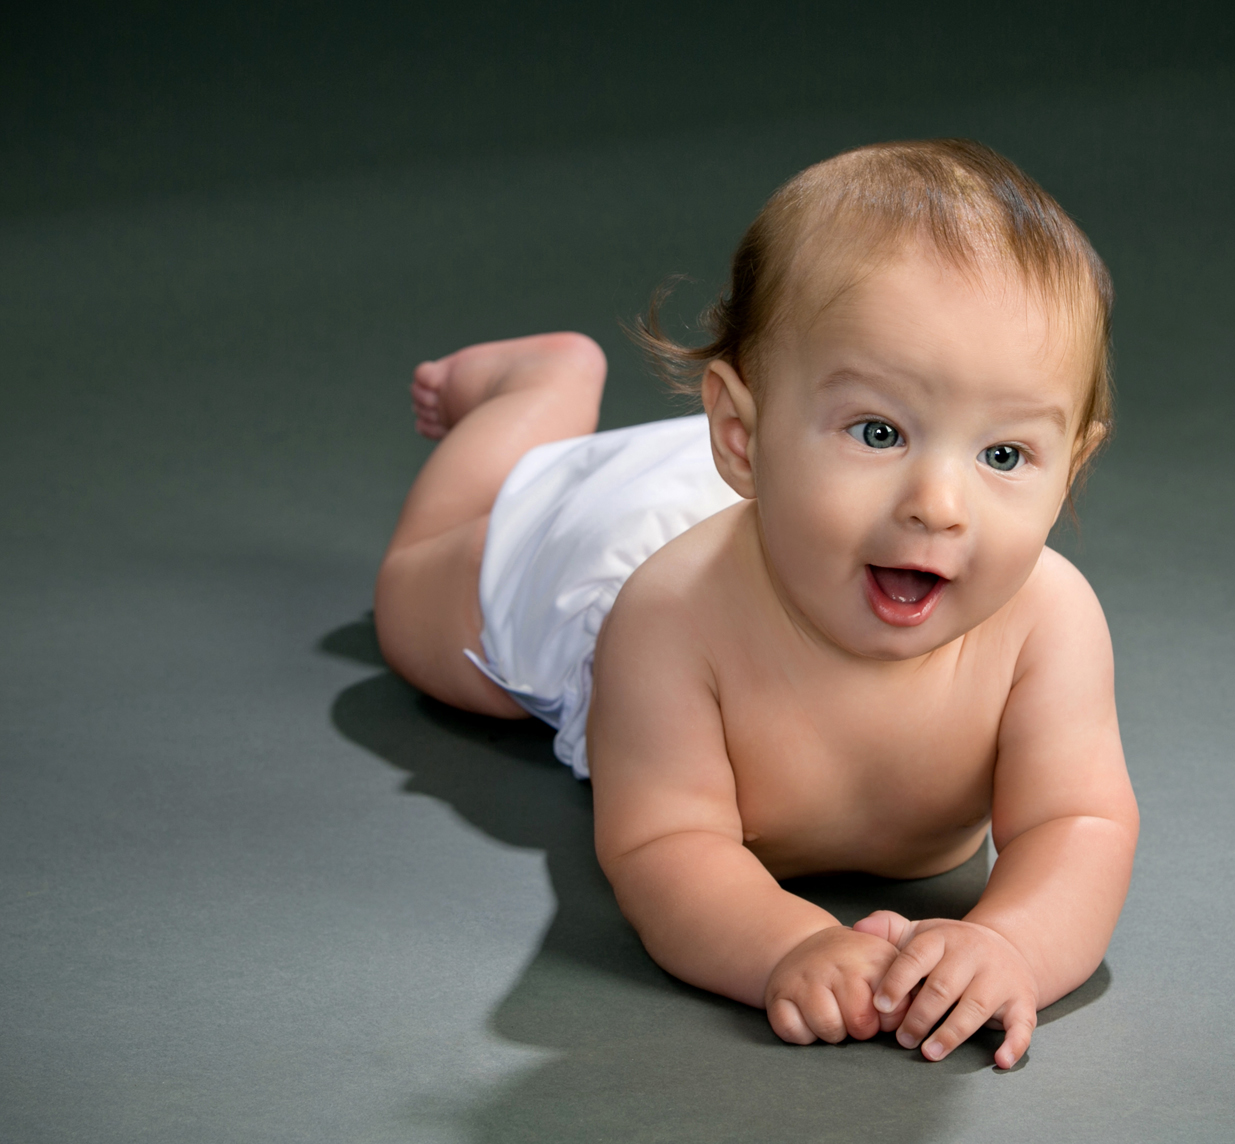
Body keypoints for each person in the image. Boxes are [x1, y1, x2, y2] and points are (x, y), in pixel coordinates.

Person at [374, 139, 1139, 1069]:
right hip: (615, 551)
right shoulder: (668, 618)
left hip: (801, 514)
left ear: (1073, 467)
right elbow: (665, 842)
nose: (939, 505)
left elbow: (1079, 824)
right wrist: (784, 943)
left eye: (1005, 455)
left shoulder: (1048, 624)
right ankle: (535, 391)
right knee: (418, 604)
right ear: (740, 436)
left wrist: (1014, 942)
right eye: (879, 431)